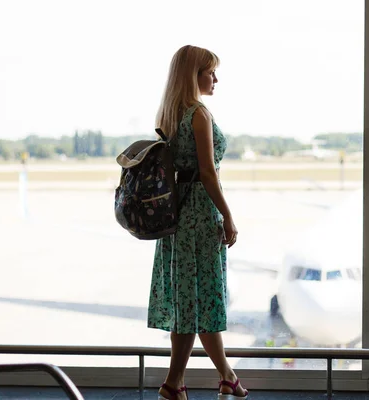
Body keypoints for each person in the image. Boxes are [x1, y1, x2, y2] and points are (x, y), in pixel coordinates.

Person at [147, 45, 248, 400]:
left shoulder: (170, 114)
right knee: (197, 304)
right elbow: (208, 172)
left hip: (176, 218)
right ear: (194, 76)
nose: (215, 78)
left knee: (193, 303)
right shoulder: (199, 115)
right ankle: (174, 384)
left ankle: (225, 377)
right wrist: (228, 214)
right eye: (210, 72)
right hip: (200, 218)